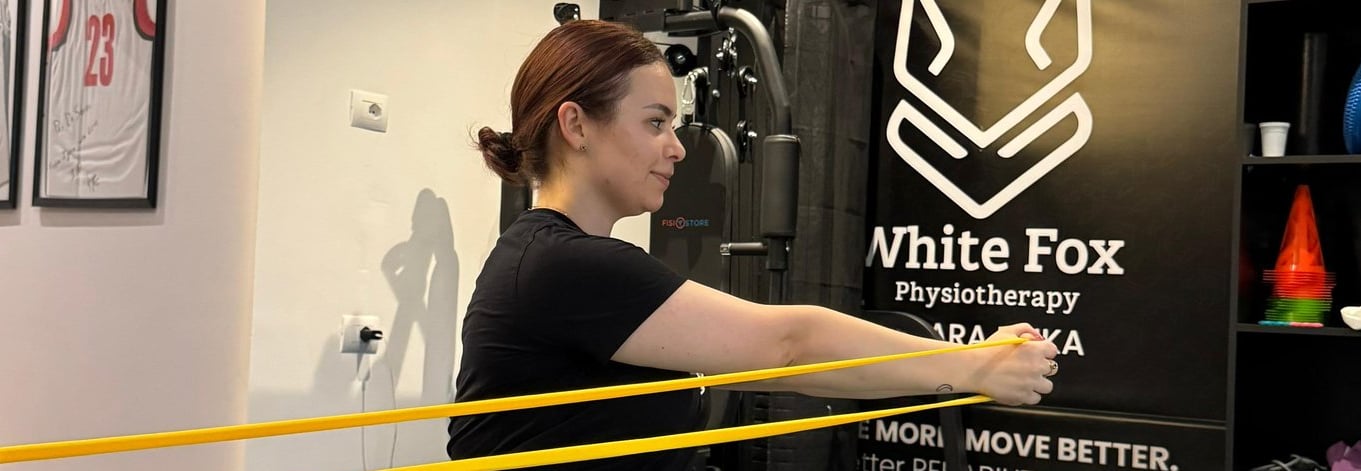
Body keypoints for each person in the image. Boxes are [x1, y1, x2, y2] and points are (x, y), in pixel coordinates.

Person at [447, 19, 1059, 470]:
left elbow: (791, 372)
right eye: (655, 122)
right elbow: (790, 344)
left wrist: (965, 367)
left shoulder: (551, 258)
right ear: (576, 124)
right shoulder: (569, 265)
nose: (677, 147)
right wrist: (973, 365)